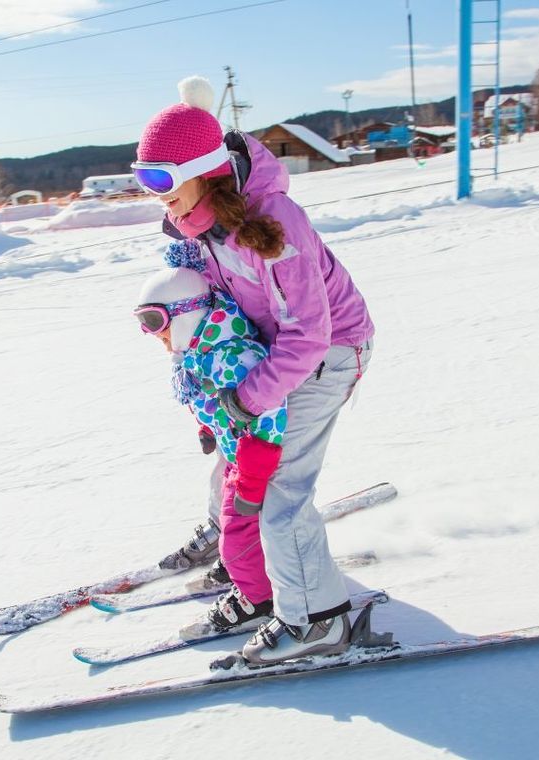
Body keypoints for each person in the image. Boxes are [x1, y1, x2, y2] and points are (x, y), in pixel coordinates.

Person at [133, 77, 375, 665]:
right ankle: (257, 579)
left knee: (279, 493)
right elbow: (223, 314)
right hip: (275, 350)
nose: (156, 196)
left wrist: (250, 399)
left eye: (164, 180)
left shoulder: (273, 221)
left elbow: (309, 334)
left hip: (327, 352)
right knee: (236, 462)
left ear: (205, 170)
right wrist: (218, 401)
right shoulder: (199, 227)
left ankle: (318, 622)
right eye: (146, 181)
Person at [134, 248, 286, 633]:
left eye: (157, 322)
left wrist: (252, 474)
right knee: (228, 515)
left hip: (258, 464)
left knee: (238, 530)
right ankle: (247, 567)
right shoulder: (202, 353)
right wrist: (208, 428)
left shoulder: (232, 357)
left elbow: (270, 416)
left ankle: (258, 600)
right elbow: (209, 401)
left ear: (188, 312)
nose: (156, 336)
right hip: (239, 457)